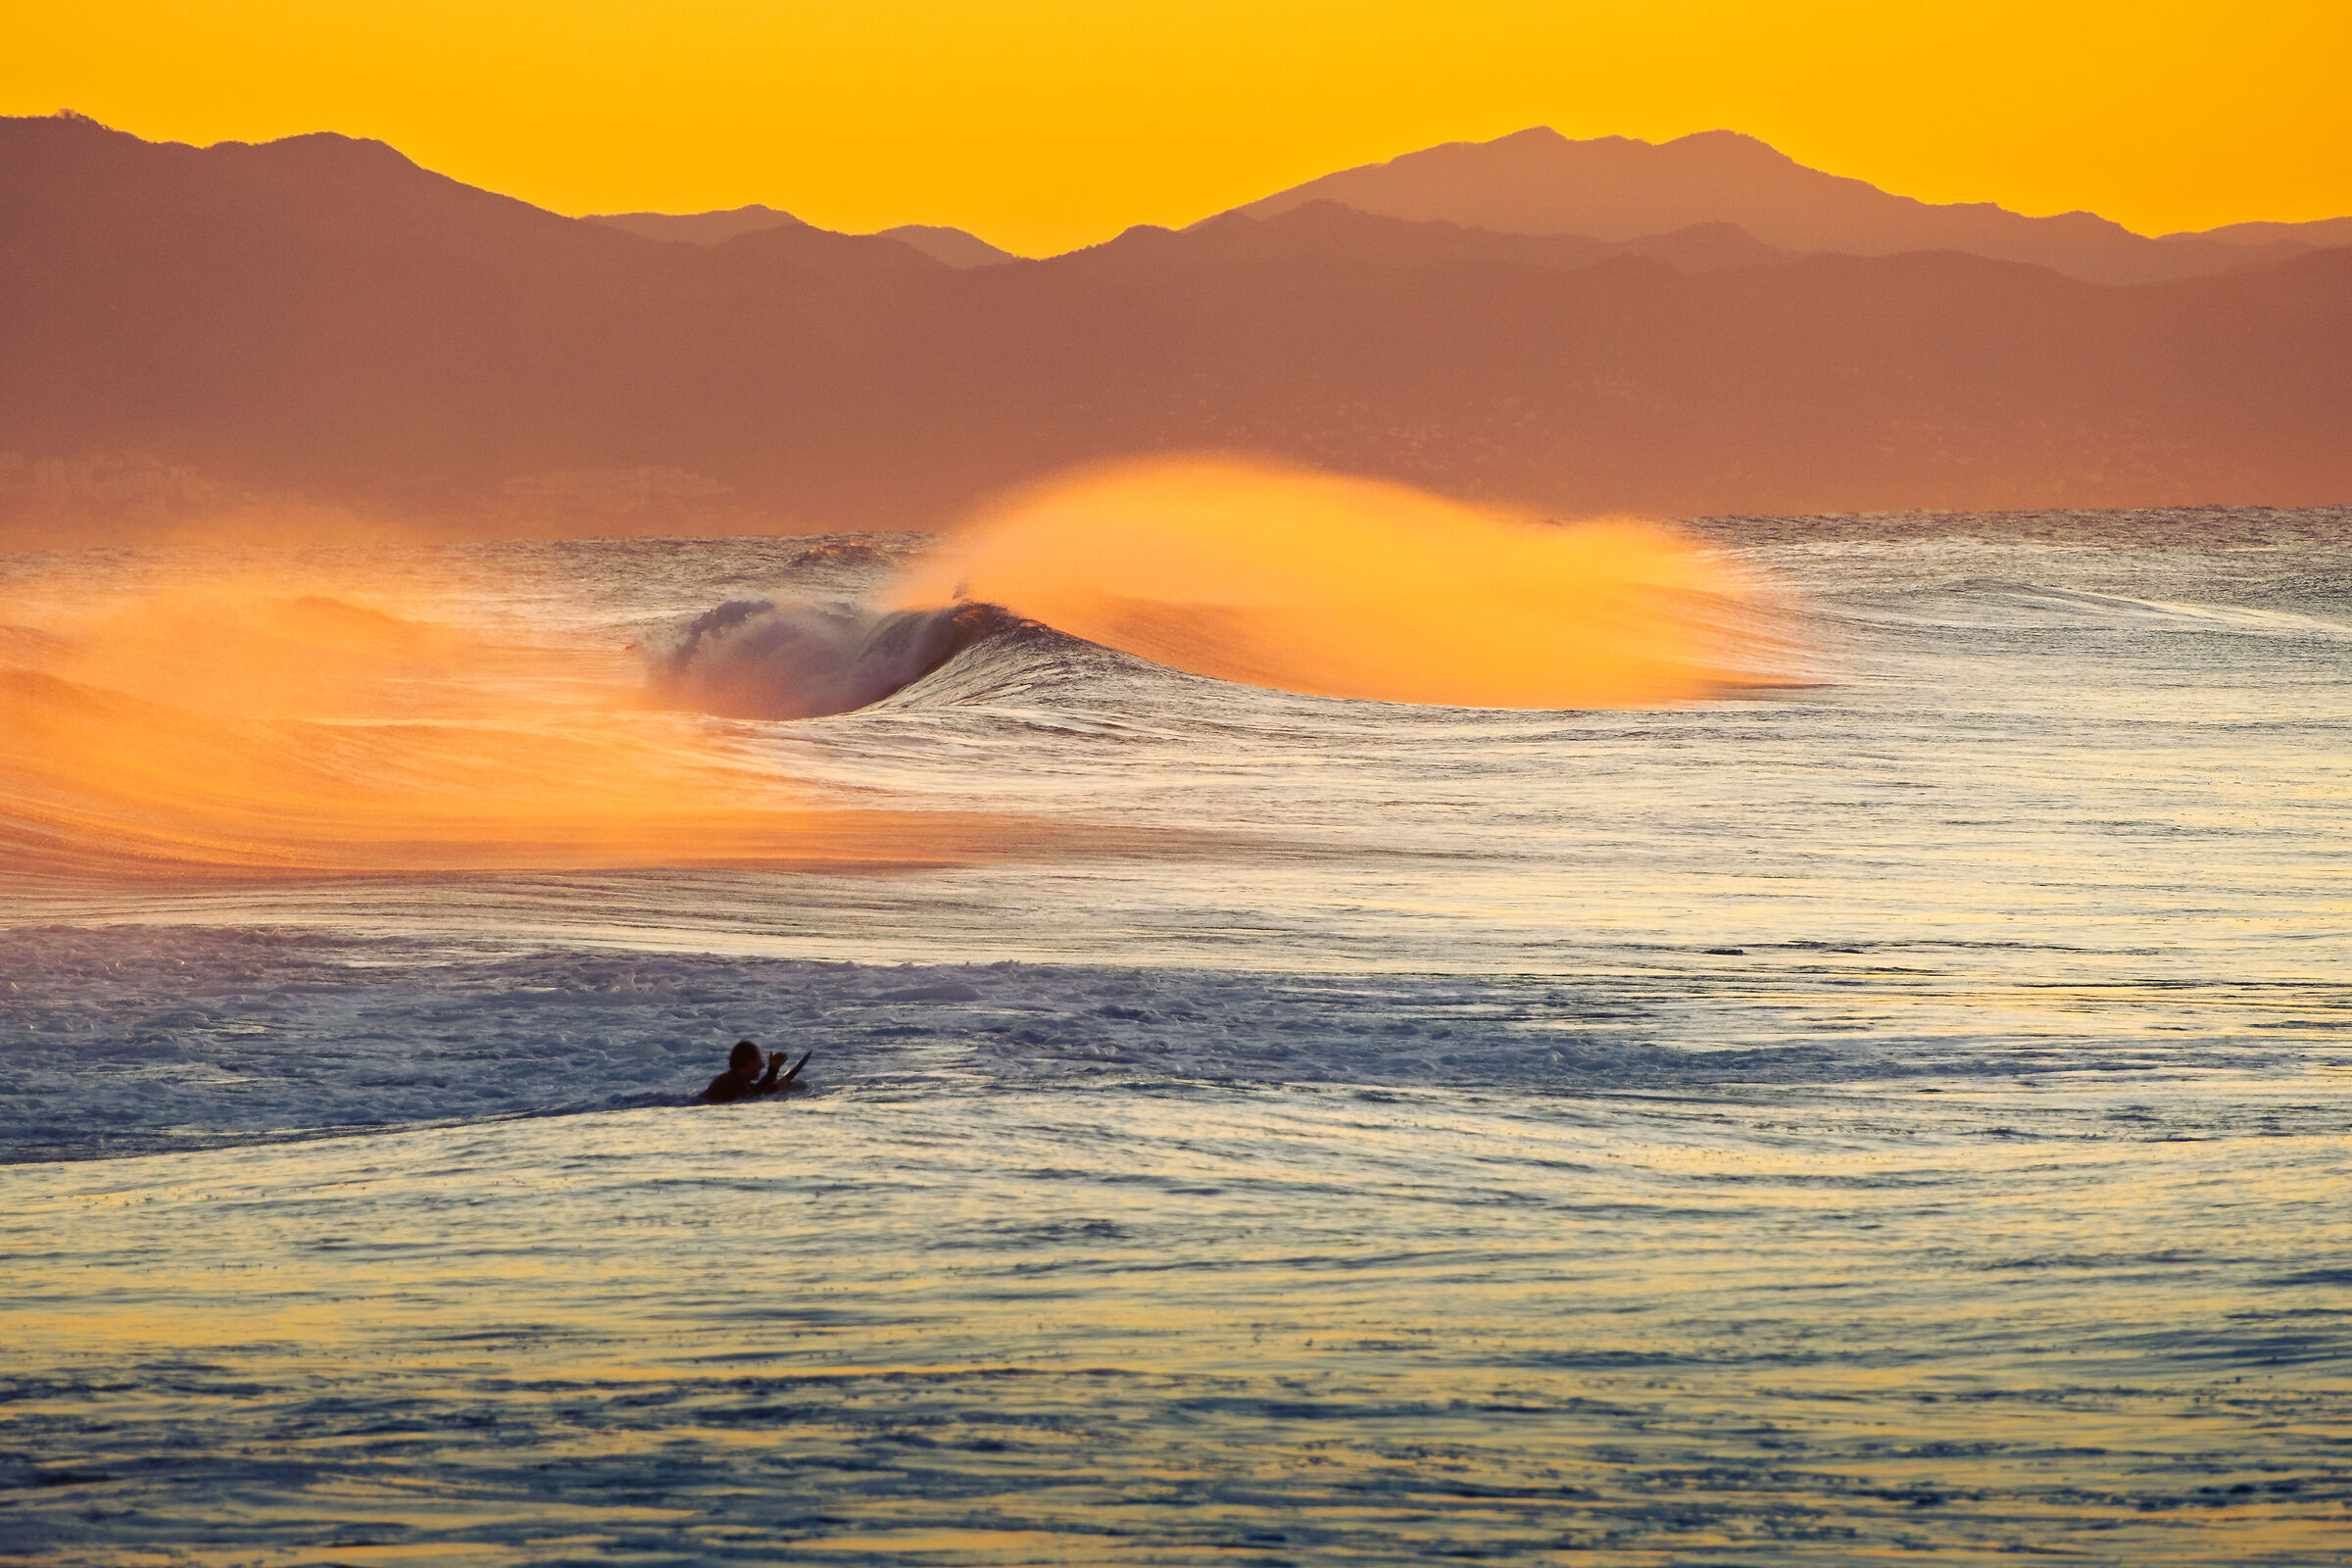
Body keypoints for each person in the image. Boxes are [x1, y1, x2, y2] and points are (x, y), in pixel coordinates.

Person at [702, 1040, 810, 1103]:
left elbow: (756, 1090)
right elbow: (754, 1098)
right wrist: (777, 1087)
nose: (762, 1066)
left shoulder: (732, 1079)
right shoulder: (733, 1083)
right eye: (759, 1062)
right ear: (749, 1063)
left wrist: (773, 1069)